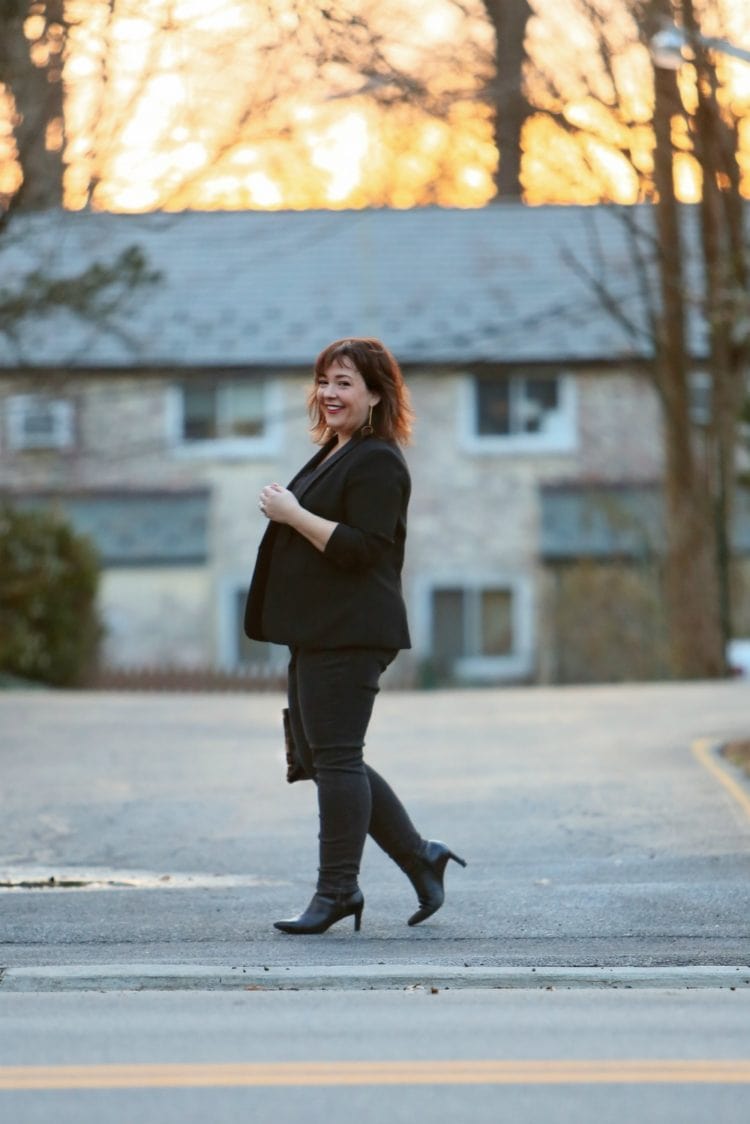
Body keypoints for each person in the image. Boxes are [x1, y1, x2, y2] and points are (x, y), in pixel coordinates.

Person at [244, 337, 466, 935]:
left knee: (337, 760)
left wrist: (293, 514)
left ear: (375, 394)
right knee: (326, 757)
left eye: (345, 382)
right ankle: (421, 856)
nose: (330, 393)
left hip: (351, 633)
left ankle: (338, 890)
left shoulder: (377, 461)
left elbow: (364, 549)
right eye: (324, 381)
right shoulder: (332, 454)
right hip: (318, 631)